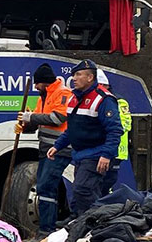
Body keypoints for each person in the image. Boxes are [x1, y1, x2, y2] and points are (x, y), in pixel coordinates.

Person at [47, 59, 124, 216]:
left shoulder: (104, 99)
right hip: (80, 155)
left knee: (82, 190)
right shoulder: (74, 98)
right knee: (82, 194)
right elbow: (72, 128)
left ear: (90, 78)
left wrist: (106, 155)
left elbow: (115, 130)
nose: (74, 78)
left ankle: (96, 223)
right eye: (74, 75)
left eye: (78, 74)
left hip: (96, 154)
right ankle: (85, 225)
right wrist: (58, 145)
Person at [17, 63, 71, 239]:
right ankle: (46, 229)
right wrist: (25, 126)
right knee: (43, 188)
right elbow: (40, 122)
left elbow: (58, 118)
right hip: (46, 149)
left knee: (46, 188)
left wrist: (30, 117)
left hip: (59, 149)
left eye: (37, 83)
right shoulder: (43, 96)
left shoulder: (62, 93)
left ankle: (46, 230)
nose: (35, 87)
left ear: (45, 82)